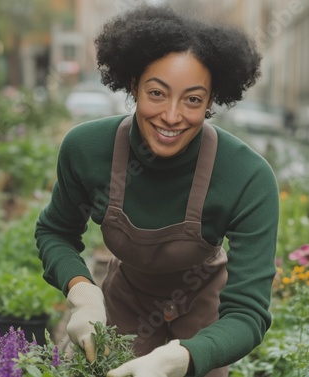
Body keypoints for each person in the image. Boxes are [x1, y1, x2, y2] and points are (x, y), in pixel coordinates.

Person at [35, 4, 279, 377]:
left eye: (193, 100)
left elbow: (248, 313)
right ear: (133, 85)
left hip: (206, 321)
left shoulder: (247, 177)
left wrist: (183, 357)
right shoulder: (87, 149)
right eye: (157, 93)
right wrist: (83, 292)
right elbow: (55, 231)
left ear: (212, 100)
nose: (171, 115)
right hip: (123, 302)